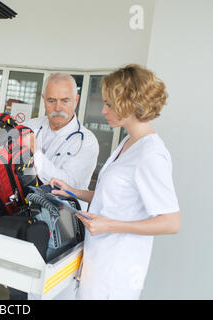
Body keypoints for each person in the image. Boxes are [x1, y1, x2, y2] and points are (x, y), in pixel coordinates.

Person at [50, 64, 181, 300]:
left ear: (130, 103)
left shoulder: (151, 154)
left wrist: (110, 226)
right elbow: (111, 196)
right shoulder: (128, 143)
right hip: (98, 259)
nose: (103, 110)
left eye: (109, 103)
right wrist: (72, 192)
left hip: (117, 270)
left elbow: (171, 222)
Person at [23, 73, 99, 209]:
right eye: (51, 101)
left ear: (76, 100)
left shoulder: (87, 141)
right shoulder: (29, 127)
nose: (58, 108)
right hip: (26, 207)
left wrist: (36, 152)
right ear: (43, 99)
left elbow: (67, 185)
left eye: (65, 101)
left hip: (64, 216)